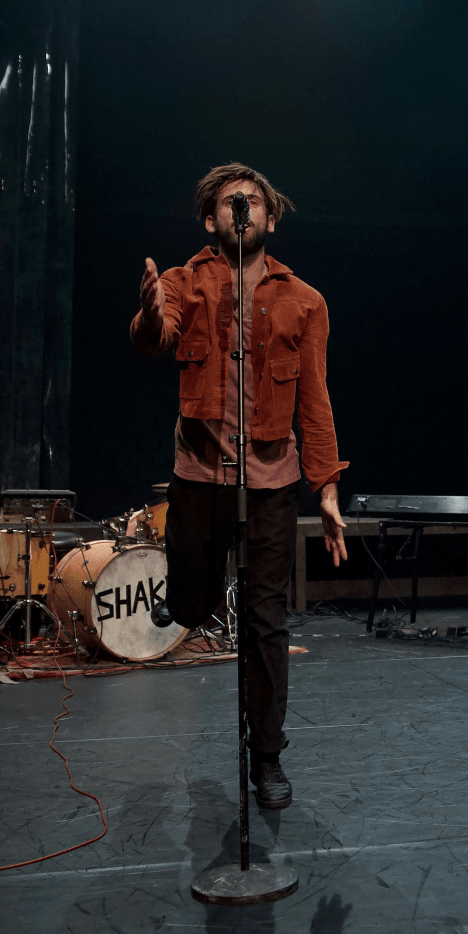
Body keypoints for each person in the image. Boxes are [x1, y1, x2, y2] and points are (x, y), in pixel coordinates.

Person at [131, 163, 348, 811]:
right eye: (230, 202)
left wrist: (326, 488)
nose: (242, 209)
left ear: (269, 218)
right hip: (200, 476)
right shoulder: (184, 282)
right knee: (194, 605)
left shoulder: (305, 300)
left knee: (264, 622)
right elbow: (155, 337)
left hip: (272, 482)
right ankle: (185, 600)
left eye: (252, 202)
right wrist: (149, 316)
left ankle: (268, 756)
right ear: (210, 219)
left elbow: (315, 399)